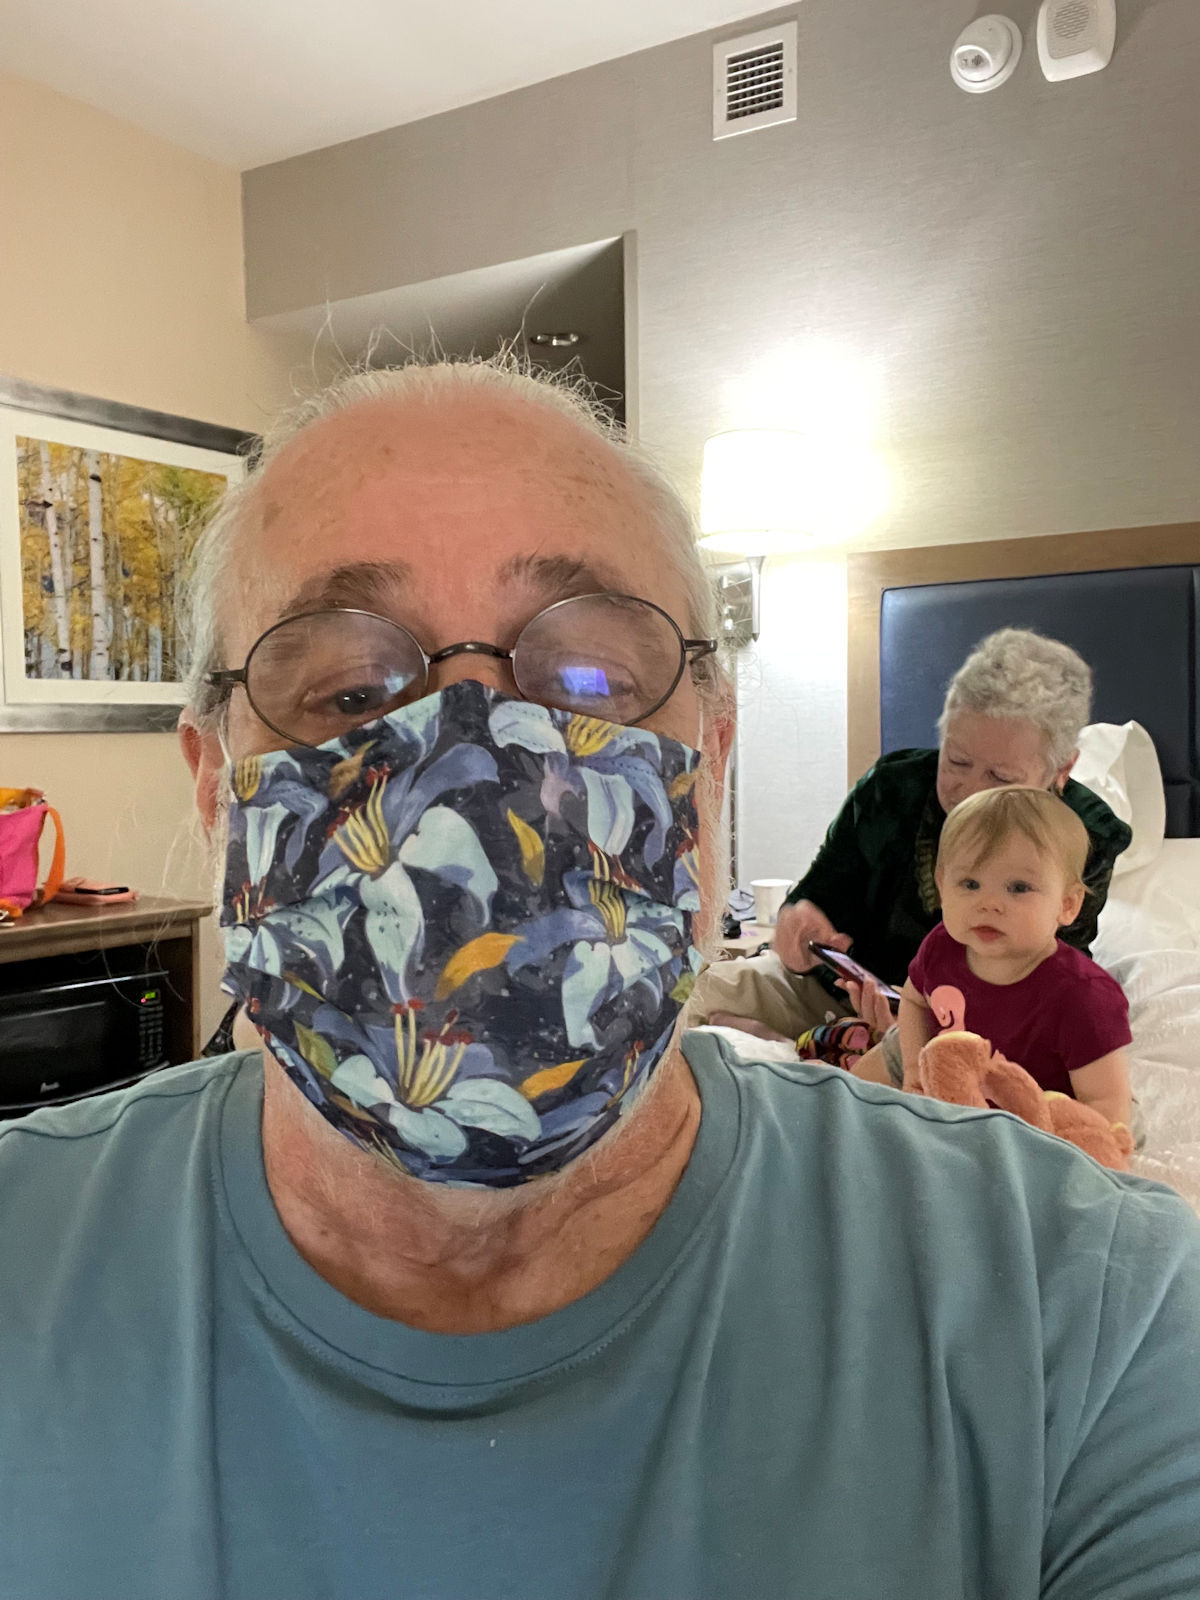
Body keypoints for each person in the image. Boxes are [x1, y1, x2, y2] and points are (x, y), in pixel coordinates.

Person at [1, 359, 1198, 1600]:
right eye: (352, 690)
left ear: (712, 761)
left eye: (584, 679)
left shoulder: (1085, 1305)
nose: (470, 766)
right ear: (215, 784)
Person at [694, 627, 1132, 1047]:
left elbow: (1049, 989)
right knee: (686, 997)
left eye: (1001, 777)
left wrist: (909, 1028)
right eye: (957, 761)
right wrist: (800, 931)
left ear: (1060, 770)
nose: (970, 791)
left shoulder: (1084, 834)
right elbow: (819, 899)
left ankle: (812, 1051)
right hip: (842, 993)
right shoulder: (892, 789)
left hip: (973, 1026)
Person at [884, 786, 1133, 1135]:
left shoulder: (1082, 997)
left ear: (1067, 905)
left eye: (1018, 888)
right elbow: (913, 1001)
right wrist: (914, 1069)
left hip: (1039, 1118)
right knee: (868, 1081)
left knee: (1108, 1138)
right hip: (949, 1077)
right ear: (942, 886)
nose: (988, 903)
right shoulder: (942, 945)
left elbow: (1105, 1104)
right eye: (970, 883)